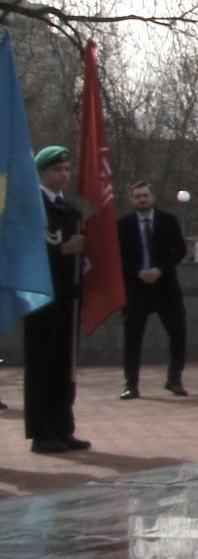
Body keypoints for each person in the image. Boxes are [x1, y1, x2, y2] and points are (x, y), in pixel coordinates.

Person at [24, 146, 86, 453]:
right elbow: (25, 250)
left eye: (66, 169)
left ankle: (63, 427)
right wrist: (62, 251)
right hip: (41, 297)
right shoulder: (32, 207)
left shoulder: (69, 210)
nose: (63, 174)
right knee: (41, 364)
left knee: (64, 365)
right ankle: (41, 431)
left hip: (67, 297)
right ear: (42, 172)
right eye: (57, 170)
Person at [117, 180, 189, 399]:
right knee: (133, 338)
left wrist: (160, 269)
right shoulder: (123, 225)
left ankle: (174, 379)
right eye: (137, 196)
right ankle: (131, 385)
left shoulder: (168, 221)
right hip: (136, 288)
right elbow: (117, 256)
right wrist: (137, 272)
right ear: (131, 200)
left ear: (153, 197)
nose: (142, 199)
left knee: (178, 333)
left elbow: (180, 249)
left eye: (145, 195)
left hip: (165, 286)